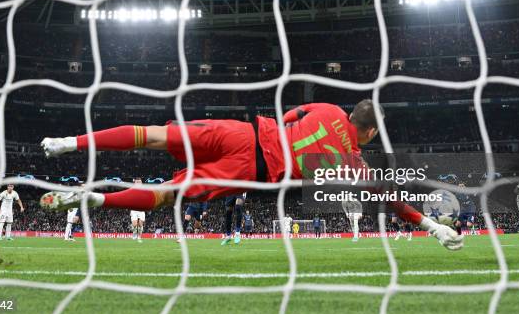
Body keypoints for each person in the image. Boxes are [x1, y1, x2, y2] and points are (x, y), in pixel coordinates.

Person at [39, 100, 463, 251]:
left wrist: (283, 132)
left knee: (153, 136)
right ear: (370, 132)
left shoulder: (329, 109)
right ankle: (99, 200)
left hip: (242, 132)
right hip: (251, 169)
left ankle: (69, 142)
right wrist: (430, 225)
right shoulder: (354, 161)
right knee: (169, 195)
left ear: (352, 113)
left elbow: (295, 113)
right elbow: (387, 199)